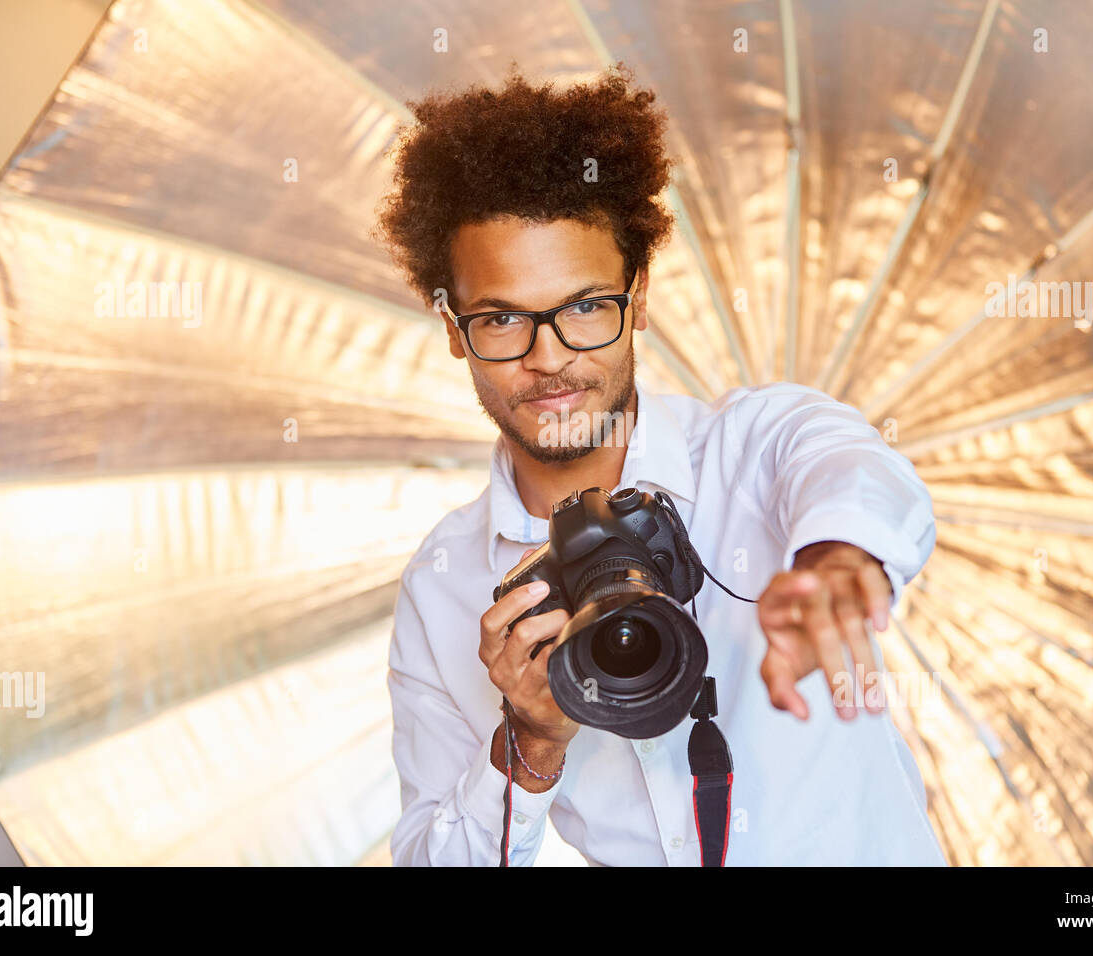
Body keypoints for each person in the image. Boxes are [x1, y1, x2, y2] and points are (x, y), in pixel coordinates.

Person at [373, 62, 945, 866]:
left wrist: (839, 557)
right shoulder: (442, 587)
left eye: (583, 307)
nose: (548, 358)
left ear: (637, 297)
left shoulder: (753, 444)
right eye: (501, 318)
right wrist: (531, 743)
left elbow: (849, 465)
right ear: (452, 326)